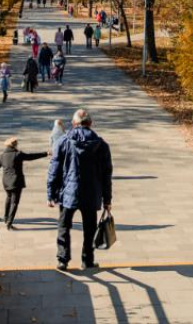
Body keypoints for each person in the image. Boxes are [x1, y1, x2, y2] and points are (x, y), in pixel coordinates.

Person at [47, 109, 113, 271]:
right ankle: (87, 260)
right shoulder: (101, 145)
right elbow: (106, 175)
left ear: (74, 123)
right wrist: (107, 200)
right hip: (92, 194)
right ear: (90, 123)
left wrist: (51, 194)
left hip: (69, 193)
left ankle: (63, 260)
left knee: (64, 226)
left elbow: (54, 170)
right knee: (89, 229)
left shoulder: (63, 142)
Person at [0, 137, 48, 230]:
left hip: (6, 182)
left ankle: (6, 217)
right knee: (14, 202)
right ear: (15, 145)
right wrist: (45, 154)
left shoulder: (3, 155)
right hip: (16, 182)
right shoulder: (18, 154)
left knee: (8, 198)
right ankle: (9, 223)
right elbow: (30, 156)